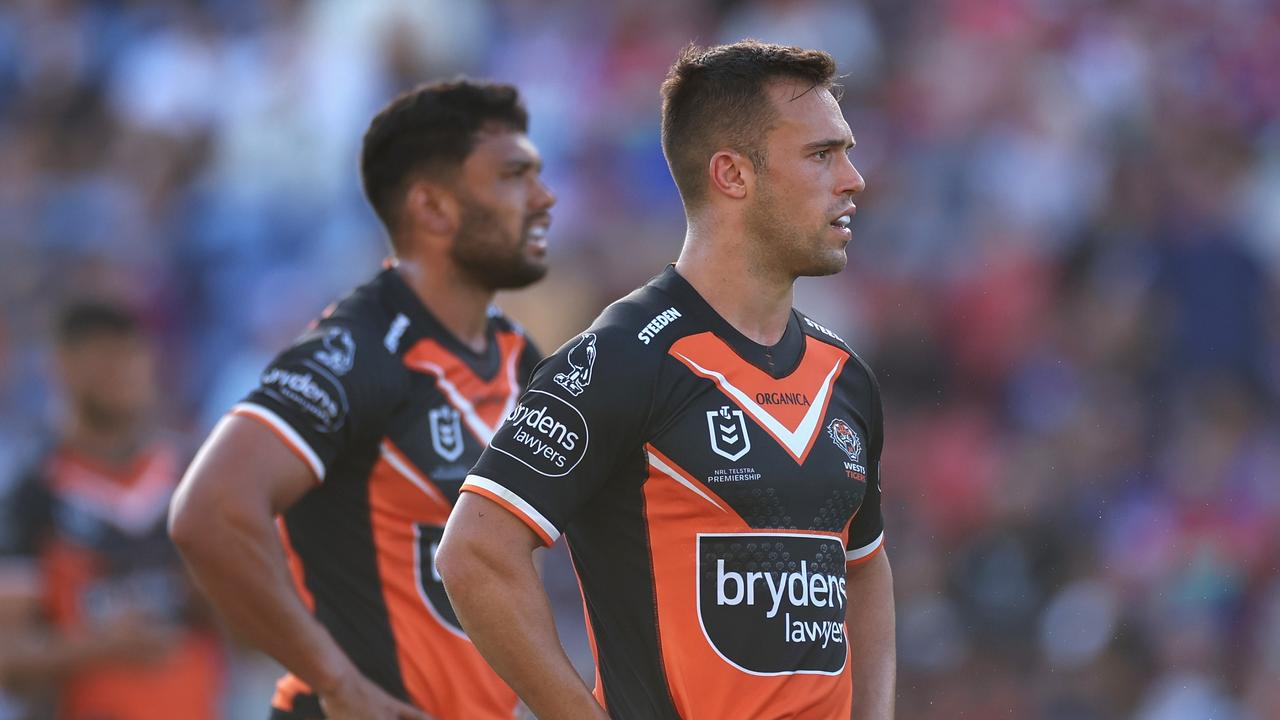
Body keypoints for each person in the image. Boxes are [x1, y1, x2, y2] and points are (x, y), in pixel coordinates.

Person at [437, 41, 896, 719]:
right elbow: (475, 554)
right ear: (733, 176)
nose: (853, 178)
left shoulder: (845, 377)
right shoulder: (625, 358)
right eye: (822, 154)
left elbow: (865, 569)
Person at [169, 79, 554, 720]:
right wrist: (336, 682)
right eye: (515, 176)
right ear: (433, 208)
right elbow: (209, 512)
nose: (545, 197)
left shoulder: (521, 358)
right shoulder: (361, 352)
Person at [0, 301, 223, 720]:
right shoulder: (32, 494)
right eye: (104, 357)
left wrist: (216, 593)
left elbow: (257, 635)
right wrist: (100, 647)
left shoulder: (196, 474)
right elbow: (7, 660)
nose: (121, 373)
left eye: (131, 356)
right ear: (62, 366)